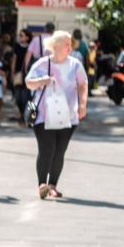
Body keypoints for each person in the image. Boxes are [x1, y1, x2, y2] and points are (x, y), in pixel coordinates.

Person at [26, 31, 88, 199]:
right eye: (67, 44)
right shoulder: (42, 63)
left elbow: (83, 84)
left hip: (68, 116)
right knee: (46, 149)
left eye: (70, 44)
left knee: (59, 151)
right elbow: (28, 82)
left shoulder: (75, 64)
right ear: (56, 45)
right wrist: (41, 81)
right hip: (43, 116)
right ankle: (42, 185)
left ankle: (52, 186)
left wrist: (82, 103)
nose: (70, 47)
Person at [12, 29, 31, 126]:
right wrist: (12, 73)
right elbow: (14, 60)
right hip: (18, 74)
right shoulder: (17, 47)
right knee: (18, 97)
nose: (20, 37)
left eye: (22, 35)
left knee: (26, 97)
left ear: (27, 37)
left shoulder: (31, 47)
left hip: (28, 75)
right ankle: (22, 113)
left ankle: (23, 117)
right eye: (19, 35)